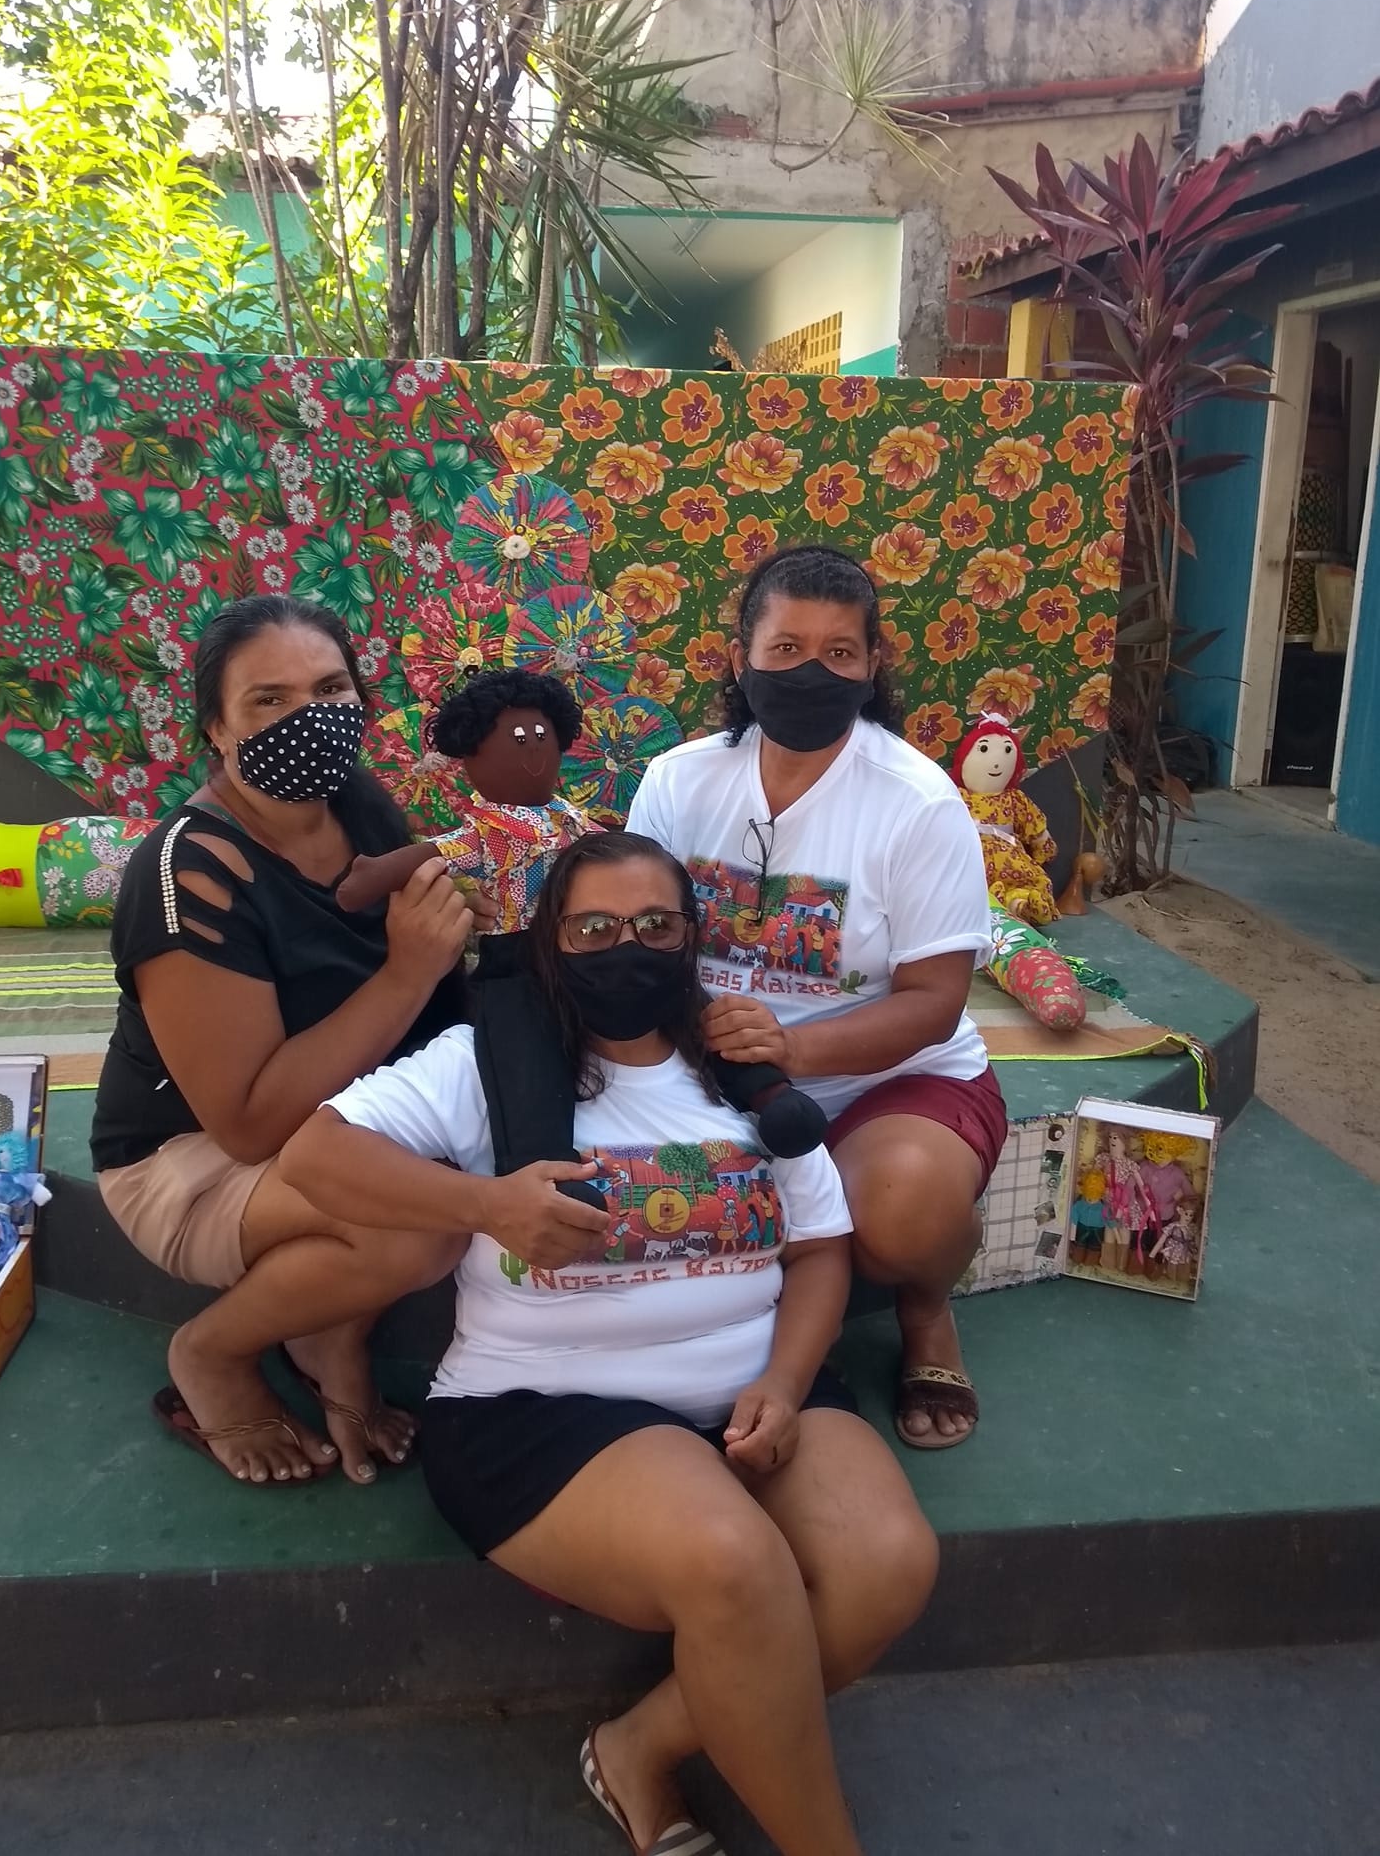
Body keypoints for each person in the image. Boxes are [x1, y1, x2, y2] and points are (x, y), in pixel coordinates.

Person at [281, 832, 937, 1856]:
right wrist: (487, 1204)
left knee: (887, 1564)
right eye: (592, 927)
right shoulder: (491, 1062)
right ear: (551, 939)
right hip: (542, 1408)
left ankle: (636, 1745)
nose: (624, 947)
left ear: (690, 938)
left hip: (752, 1381)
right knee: (733, 1561)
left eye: (654, 926)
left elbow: (818, 1248)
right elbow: (313, 1155)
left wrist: (784, 1378)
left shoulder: (742, 1071)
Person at [90, 595, 476, 1488]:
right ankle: (211, 1352)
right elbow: (248, 1123)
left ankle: (326, 1334)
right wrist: (406, 973)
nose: (309, 717)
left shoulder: (356, 804)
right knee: (424, 1223)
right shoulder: (187, 872)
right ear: (216, 728)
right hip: (188, 1159)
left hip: (339, 1117)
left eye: (330, 689)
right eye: (269, 699)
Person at [626, 543, 1002, 1451]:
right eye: (785, 647)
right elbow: (639, 936)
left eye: (839, 652)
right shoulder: (679, 779)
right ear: (738, 658)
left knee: (901, 1214)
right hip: (716, 1074)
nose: (810, 671)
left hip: (890, 1084)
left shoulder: (918, 803)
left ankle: (924, 1306)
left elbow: (933, 1002)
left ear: (873, 665)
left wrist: (792, 1049)